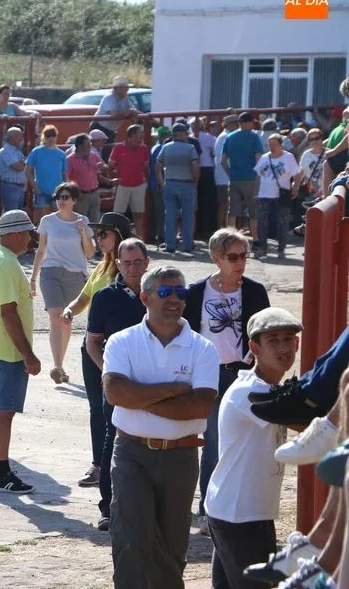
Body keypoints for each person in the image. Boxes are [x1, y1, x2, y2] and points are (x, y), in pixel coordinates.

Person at [103, 265, 219, 588]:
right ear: (145, 298)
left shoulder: (203, 348)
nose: (174, 299)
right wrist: (174, 390)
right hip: (131, 453)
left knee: (172, 545)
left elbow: (199, 407)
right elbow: (115, 393)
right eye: (165, 292)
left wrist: (139, 397)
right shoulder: (122, 342)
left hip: (181, 457)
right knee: (131, 539)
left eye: (180, 292)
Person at [204, 308, 304, 589]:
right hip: (239, 516)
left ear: (297, 343)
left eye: (288, 339)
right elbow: (306, 421)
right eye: (273, 341)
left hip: (241, 511)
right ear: (254, 348)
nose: (283, 347)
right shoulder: (250, 391)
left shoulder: (266, 388)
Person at [183, 228, 270, 534]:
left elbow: (266, 332)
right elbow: (187, 335)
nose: (240, 263)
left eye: (244, 256)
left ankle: (241, 506)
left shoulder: (255, 291)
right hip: (210, 375)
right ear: (216, 258)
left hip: (244, 374)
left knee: (246, 441)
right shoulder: (197, 292)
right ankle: (209, 511)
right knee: (213, 444)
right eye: (233, 257)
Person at [85, 238, 151, 531]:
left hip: (153, 382)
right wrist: (109, 373)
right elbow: (92, 342)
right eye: (127, 263)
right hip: (117, 384)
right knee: (112, 439)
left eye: (138, 262)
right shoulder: (105, 297)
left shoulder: (159, 293)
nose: (133, 268)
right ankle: (108, 507)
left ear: (147, 263)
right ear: (118, 264)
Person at [0, 209, 41, 493]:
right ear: (14, 234)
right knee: (4, 413)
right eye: (27, 233)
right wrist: (28, 353)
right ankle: (2, 473)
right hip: (9, 351)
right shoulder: (8, 264)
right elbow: (9, 313)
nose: (30, 239)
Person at [62, 212, 131, 488]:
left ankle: (118, 464)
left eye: (104, 234)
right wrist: (70, 309)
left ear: (119, 235)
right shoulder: (102, 267)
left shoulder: (128, 270)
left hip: (115, 350)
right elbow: (84, 297)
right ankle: (98, 464)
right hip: (91, 347)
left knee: (115, 406)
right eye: (97, 234)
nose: (98, 239)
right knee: (96, 408)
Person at [31, 181, 96, 384]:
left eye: (65, 197)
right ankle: (57, 366)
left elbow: (90, 253)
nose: (61, 200)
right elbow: (41, 250)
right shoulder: (47, 221)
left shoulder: (83, 221)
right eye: (58, 197)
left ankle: (61, 363)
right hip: (50, 272)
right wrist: (33, 278)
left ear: (74, 200)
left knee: (66, 320)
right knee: (55, 316)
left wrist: (83, 232)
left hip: (75, 274)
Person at [254, 134, 302, 259]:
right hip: (264, 195)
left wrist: (295, 187)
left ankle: (281, 249)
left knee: (282, 223)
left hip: (282, 195)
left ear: (281, 145)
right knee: (262, 222)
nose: (272, 147)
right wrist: (256, 193)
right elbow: (258, 176)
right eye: (270, 145)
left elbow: (297, 173)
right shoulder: (264, 157)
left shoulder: (288, 157)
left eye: (274, 145)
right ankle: (262, 248)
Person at [222, 112, 265, 249]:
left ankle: (229, 239)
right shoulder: (254, 137)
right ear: (250, 122)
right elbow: (259, 159)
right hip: (251, 179)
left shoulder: (229, 137)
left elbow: (223, 160)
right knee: (253, 211)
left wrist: (230, 173)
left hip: (234, 179)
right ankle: (256, 240)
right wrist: (258, 177)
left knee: (233, 211)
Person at [156, 122, 200, 253]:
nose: (187, 136)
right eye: (186, 133)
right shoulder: (190, 148)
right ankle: (187, 245)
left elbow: (157, 167)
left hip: (169, 184)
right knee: (188, 216)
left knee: (170, 216)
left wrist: (162, 183)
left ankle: (170, 245)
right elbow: (195, 166)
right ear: (182, 134)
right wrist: (195, 181)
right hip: (187, 184)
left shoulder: (166, 147)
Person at [109, 125, 150, 238]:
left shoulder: (144, 148)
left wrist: (146, 182)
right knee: (117, 215)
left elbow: (146, 167)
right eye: (140, 134)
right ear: (132, 135)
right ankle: (115, 240)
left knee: (138, 214)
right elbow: (110, 166)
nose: (142, 137)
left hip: (139, 185)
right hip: (122, 185)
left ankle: (140, 240)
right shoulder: (118, 148)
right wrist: (113, 179)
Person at [26, 125, 67, 225]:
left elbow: (64, 174)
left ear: (56, 136)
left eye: (53, 135)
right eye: (48, 136)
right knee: (43, 222)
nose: (51, 138)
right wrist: (36, 187)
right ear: (44, 137)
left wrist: (65, 190)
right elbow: (27, 170)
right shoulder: (36, 152)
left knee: (60, 221)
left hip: (58, 193)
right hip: (41, 192)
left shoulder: (61, 154)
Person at [66, 133, 103, 223]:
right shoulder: (69, 160)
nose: (90, 146)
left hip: (94, 193)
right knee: (81, 222)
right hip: (81, 196)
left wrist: (103, 166)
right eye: (88, 144)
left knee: (95, 222)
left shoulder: (93, 155)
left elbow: (103, 167)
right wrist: (76, 192)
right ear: (79, 146)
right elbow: (66, 178)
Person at [92, 76, 139, 145]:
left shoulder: (125, 97)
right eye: (125, 87)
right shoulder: (110, 97)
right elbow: (114, 114)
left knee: (108, 149)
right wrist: (129, 112)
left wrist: (147, 116)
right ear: (117, 88)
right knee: (98, 149)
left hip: (111, 130)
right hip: (99, 129)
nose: (127, 89)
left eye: (127, 87)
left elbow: (133, 109)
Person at [214, 116, 238, 230]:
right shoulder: (225, 137)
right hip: (225, 177)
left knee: (226, 204)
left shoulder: (226, 136)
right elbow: (223, 159)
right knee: (224, 204)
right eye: (236, 123)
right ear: (230, 124)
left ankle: (225, 228)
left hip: (225, 176)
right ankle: (222, 228)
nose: (238, 125)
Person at [147, 126, 171, 243]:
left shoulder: (155, 147)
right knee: (161, 210)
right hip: (159, 183)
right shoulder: (161, 148)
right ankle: (162, 235)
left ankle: (158, 234)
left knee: (158, 210)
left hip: (155, 183)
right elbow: (157, 167)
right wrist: (160, 182)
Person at [0, 127, 29, 213]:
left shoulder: (17, 151)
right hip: (10, 187)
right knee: (12, 215)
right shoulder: (6, 150)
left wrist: (23, 163)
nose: (22, 139)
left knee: (18, 215)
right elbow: (18, 167)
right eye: (20, 136)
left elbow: (23, 164)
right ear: (13, 137)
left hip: (19, 187)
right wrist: (24, 163)